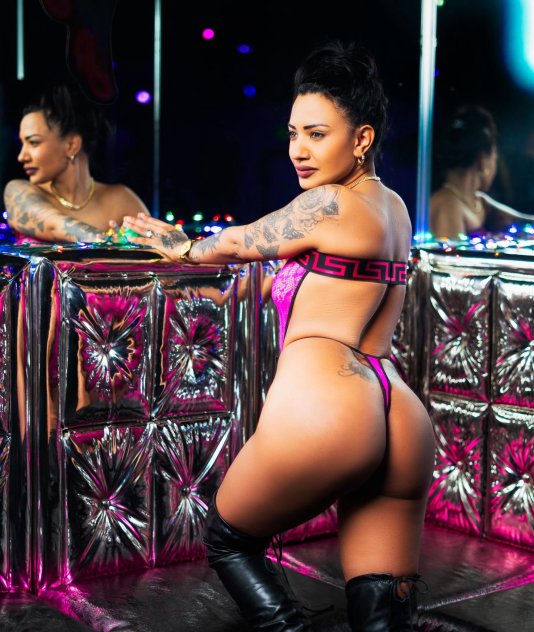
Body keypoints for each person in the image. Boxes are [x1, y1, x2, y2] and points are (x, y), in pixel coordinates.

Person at [122, 40, 436, 631]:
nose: (298, 150)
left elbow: (241, 240)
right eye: (293, 134)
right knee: (383, 616)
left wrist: (183, 248)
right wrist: (242, 291)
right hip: (400, 415)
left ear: (362, 139)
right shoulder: (392, 207)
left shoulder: (330, 203)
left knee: (228, 538)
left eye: (317, 134)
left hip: (332, 410)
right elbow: (327, 279)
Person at [3, 83, 149, 244]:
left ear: (72, 145)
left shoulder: (121, 200)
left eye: (33, 142)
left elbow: (157, 252)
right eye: (22, 143)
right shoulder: (19, 192)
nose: (21, 156)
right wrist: (106, 242)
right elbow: (53, 226)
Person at [430, 105, 534, 239]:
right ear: (482, 162)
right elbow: (449, 252)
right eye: (494, 158)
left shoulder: (478, 201)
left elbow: (524, 222)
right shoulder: (448, 204)